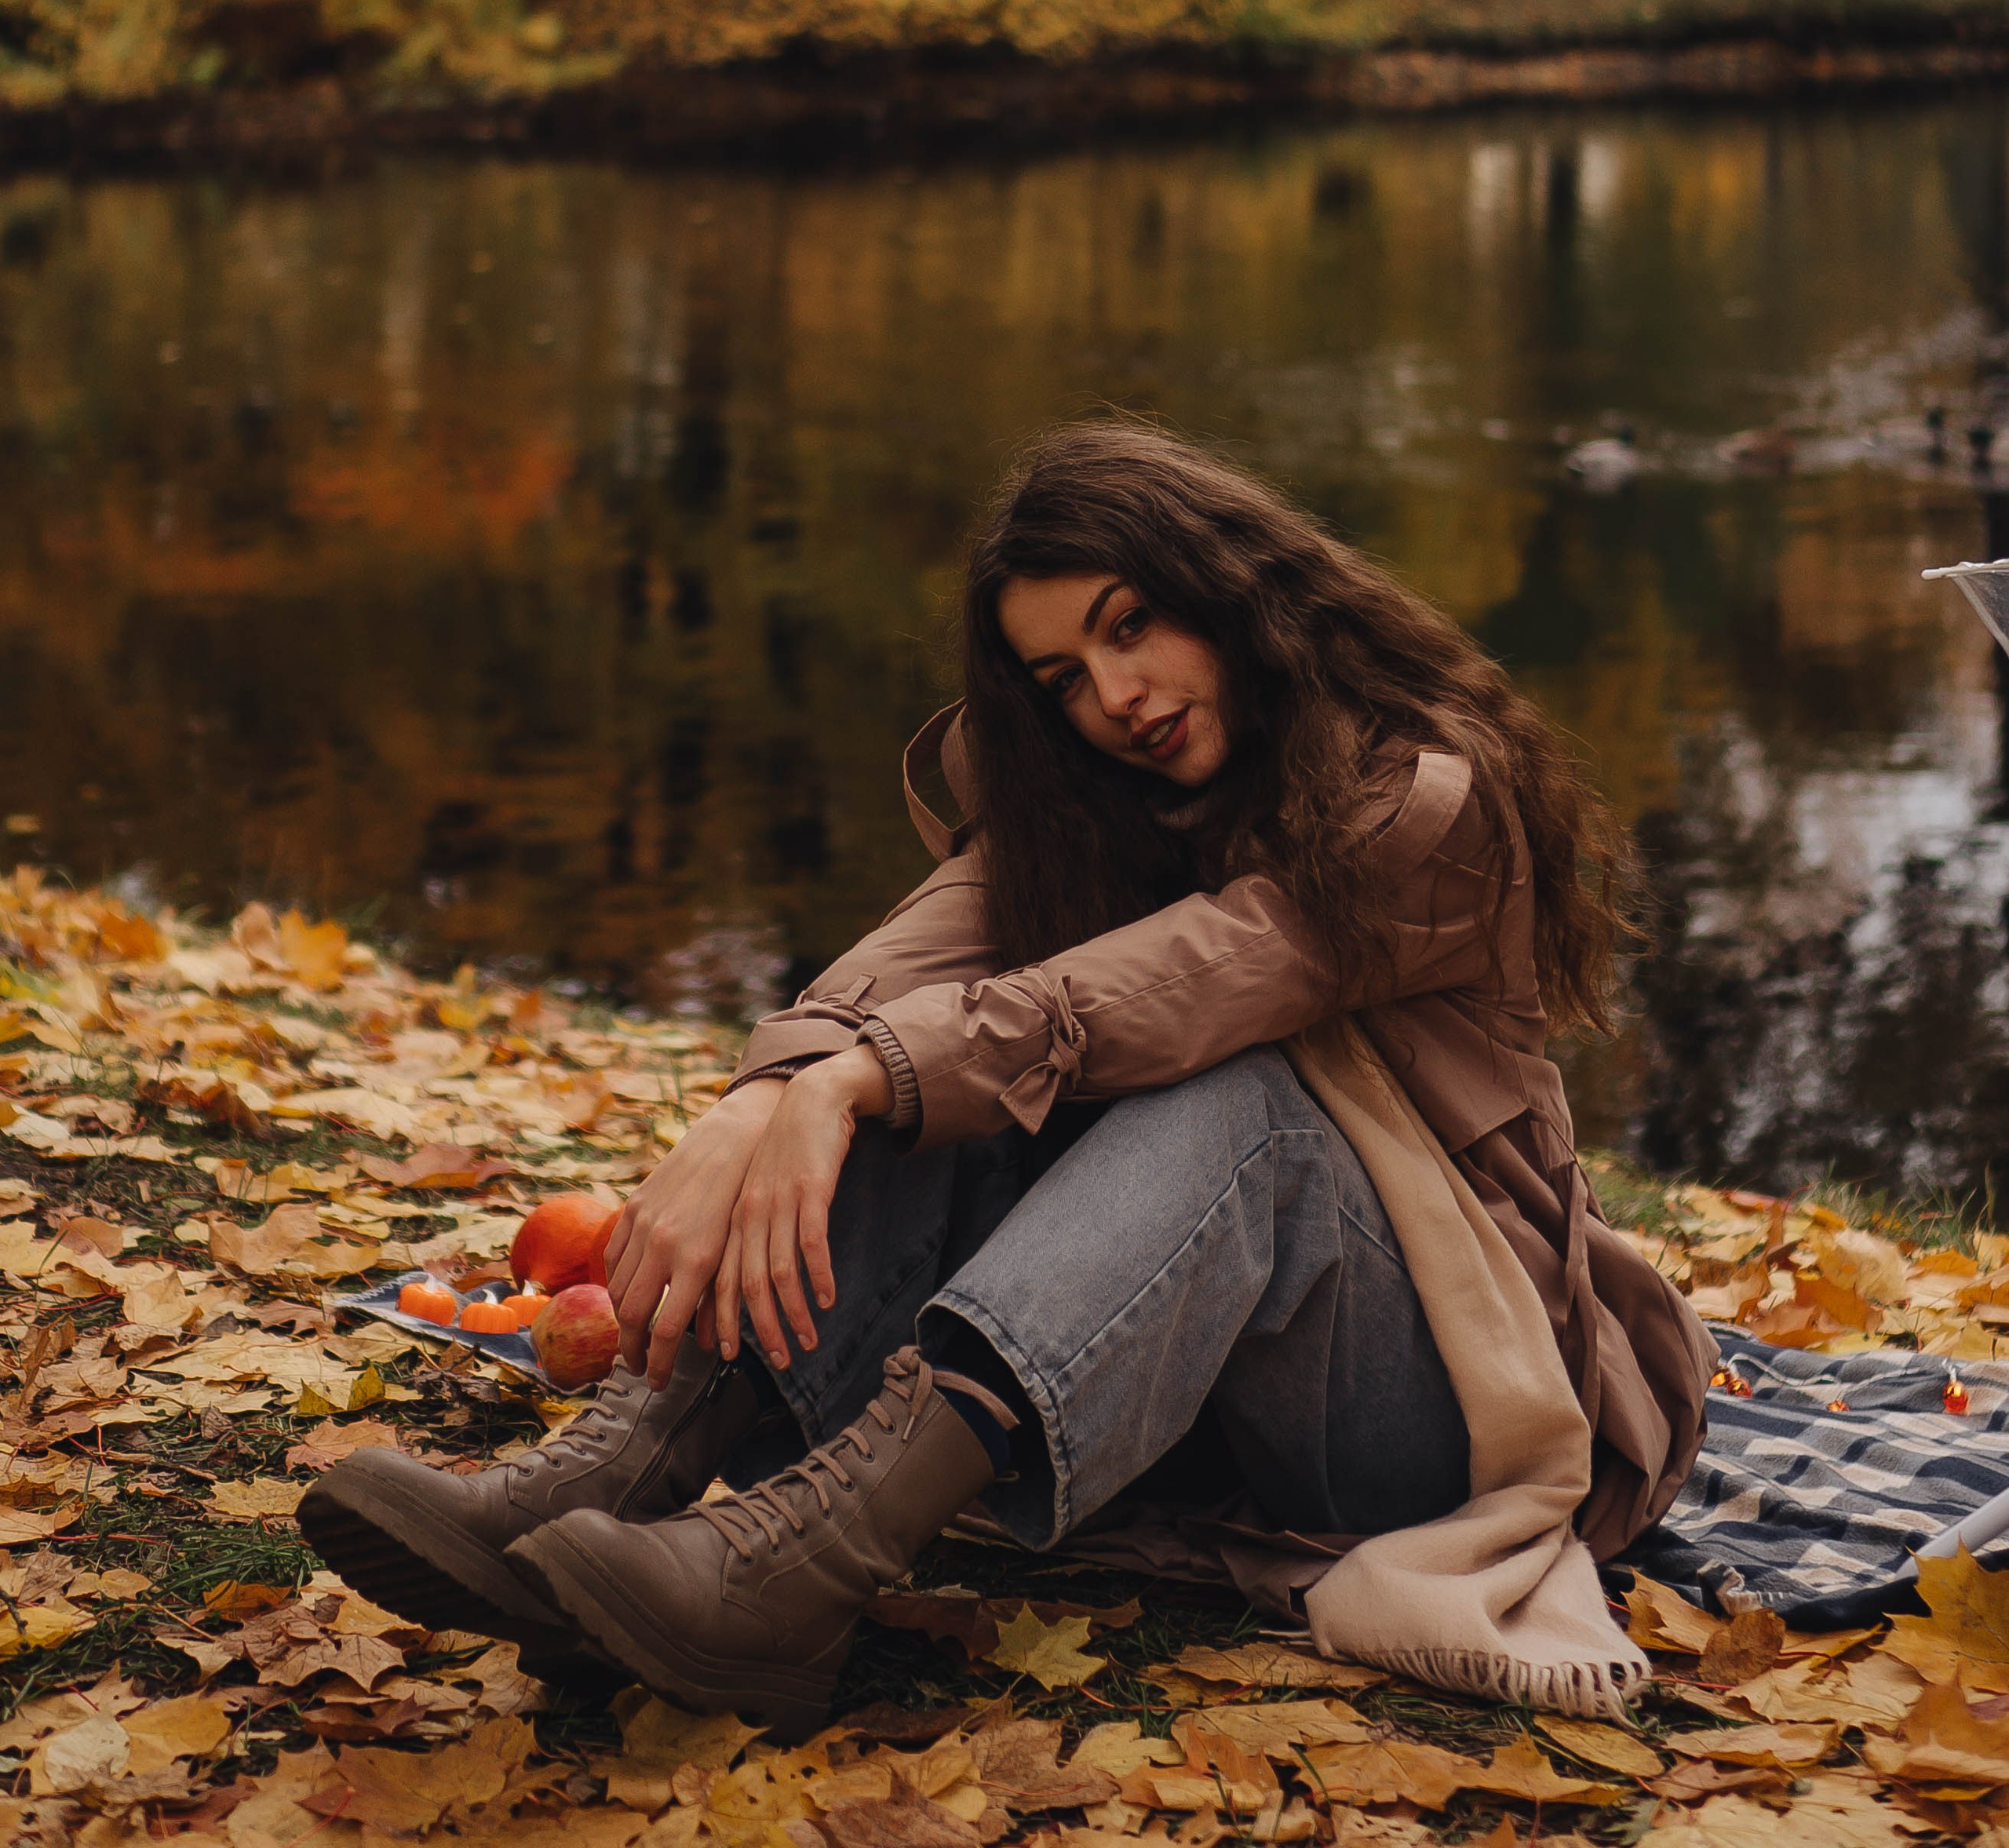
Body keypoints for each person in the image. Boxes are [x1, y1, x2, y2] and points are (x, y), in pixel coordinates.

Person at [301, 421, 1711, 1733]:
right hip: (1202, 1401)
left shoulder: (1422, 805)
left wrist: (854, 1079)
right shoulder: (1111, 802)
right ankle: (607, 1483)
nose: (1117, 698)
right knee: (905, 1074)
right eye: (1063, 679)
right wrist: (770, 1095)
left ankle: (799, 1573)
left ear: (1230, 591)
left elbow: (1173, 984)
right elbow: (927, 949)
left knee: (1223, 1105)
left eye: (1132, 626)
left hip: (1446, 1403)